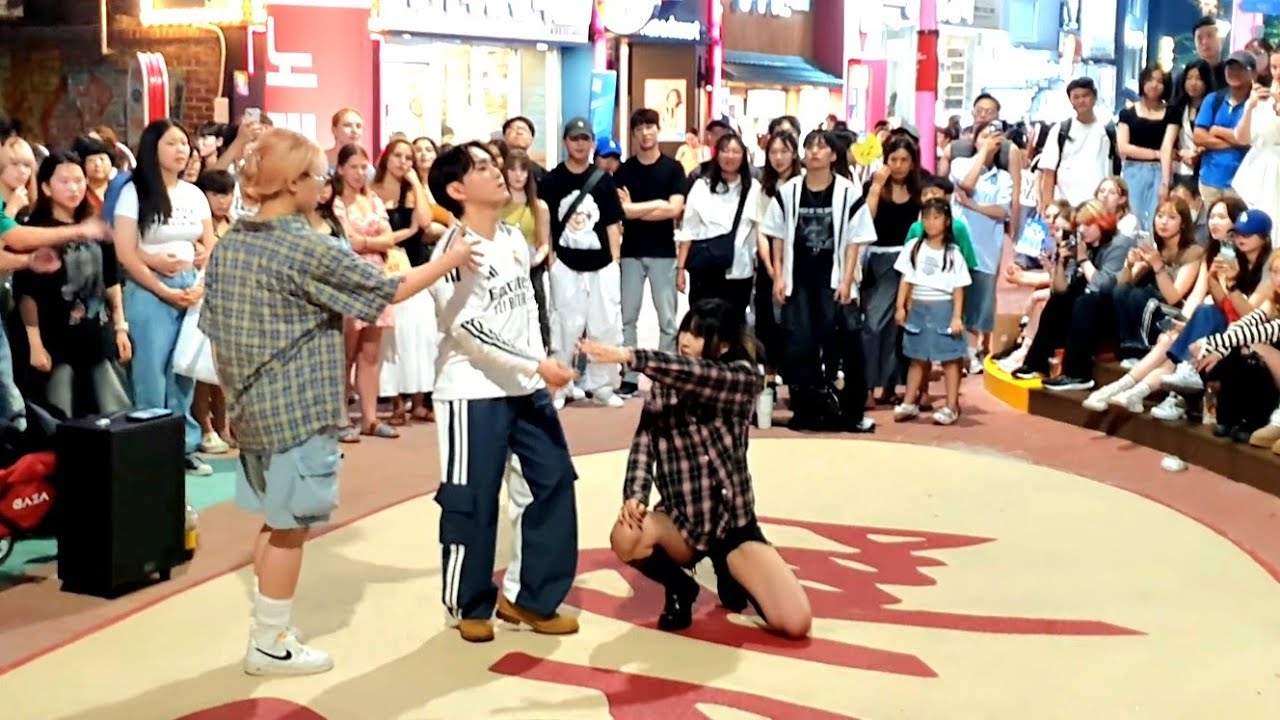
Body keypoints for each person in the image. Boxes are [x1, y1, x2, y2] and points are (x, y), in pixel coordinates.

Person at [200, 128, 476, 676]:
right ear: (293, 182)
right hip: (298, 405)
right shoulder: (303, 245)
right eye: (317, 174)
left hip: (251, 406)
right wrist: (454, 257)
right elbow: (388, 290)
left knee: (275, 523)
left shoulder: (233, 240)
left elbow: (214, 329)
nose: (324, 183)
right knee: (289, 529)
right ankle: (270, 641)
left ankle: (269, 626)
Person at [426, 142, 581, 643]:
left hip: (526, 386)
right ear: (456, 190)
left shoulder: (515, 237)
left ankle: (531, 596)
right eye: (483, 168)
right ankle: (469, 602)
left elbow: (527, 314)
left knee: (552, 481)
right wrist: (536, 364)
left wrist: (539, 369)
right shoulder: (452, 252)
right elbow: (469, 330)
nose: (497, 173)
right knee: (471, 498)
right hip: (471, 391)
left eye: (496, 164)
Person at [586, 299, 812, 638]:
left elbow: (698, 375)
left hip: (732, 526)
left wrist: (630, 357)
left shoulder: (741, 378)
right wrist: (635, 495)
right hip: (683, 521)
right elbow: (644, 445)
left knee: (795, 622)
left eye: (697, 334)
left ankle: (730, 570)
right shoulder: (664, 387)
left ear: (721, 344)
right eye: (685, 331)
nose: (686, 340)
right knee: (626, 535)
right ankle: (681, 588)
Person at [615, 108, 687, 397]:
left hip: (664, 253)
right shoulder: (624, 170)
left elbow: (675, 209)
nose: (645, 133)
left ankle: (664, 374)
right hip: (630, 252)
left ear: (659, 129)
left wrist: (636, 210)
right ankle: (630, 375)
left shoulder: (673, 169)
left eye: (650, 127)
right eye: (639, 128)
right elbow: (622, 212)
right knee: (627, 317)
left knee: (668, 320)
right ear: (633, 134)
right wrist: (655, 205)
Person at [893, 199, 972, 425]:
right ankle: (909, 401)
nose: (930, 222)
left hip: (943, 308)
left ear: (947, 221)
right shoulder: (914, 248)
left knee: (949, 359)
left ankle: (951, 405)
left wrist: (957, 315)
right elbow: (906, 279)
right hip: (918, 307)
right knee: (917, 358)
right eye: (926, 217)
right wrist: (901, 306)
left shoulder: (954, 253)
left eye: (936, 217)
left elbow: (959, 289)